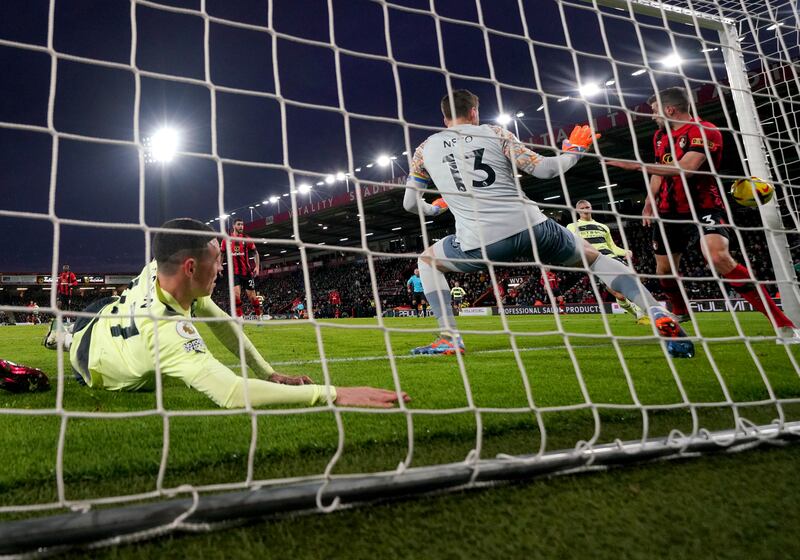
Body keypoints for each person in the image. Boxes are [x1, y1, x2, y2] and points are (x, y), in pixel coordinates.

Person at [402, 88, 694, 357]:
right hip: (534, 227)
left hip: (480, 242)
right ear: (475, 111)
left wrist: (436, 210)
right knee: (595, 260)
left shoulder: (424, 150)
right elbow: (543, 170)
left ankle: (449, 337)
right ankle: (656, 310)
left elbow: (410, 204)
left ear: (444, 117)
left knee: (427, 260)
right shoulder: (493, 132)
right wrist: (573, 152)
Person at [60, 218, 408, 409]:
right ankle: (60, 337)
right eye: (218, 261)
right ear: (191, 267)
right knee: (71, 337)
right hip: (89, 358)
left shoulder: (165, 269)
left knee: (96, 312)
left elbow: (220, 322)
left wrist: (269, 373)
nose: (222, 269)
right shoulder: (165, 331)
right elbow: (232, 393)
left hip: (105, 314)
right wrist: (332, 393)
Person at [607, 86, 797, 342]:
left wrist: (635, 165)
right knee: (663, 271)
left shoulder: (704, 130)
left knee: (718, 257)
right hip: (666, 213)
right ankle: (681, 311)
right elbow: (659, 170)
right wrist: (650, 202)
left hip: (702, 207)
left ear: (670, 109)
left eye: (654, 111)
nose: (653, 116)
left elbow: (687, 168)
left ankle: (784, 325)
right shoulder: (660, 137)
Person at [566, 200, 649, 324]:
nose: (585, 209)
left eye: (588, 206)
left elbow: (612, 247)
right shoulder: (572, 227)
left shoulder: (603, 226)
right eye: (582, 207)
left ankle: (642, 314)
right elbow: (572, 245)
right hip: (594, 261)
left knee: (632, 278)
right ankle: (636, 313)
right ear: (578, 210)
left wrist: (625, 251)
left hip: (610, 256)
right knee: (619, 295)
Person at [220, 218, 263, 320]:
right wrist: (220, 266)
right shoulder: (226, 239)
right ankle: (240, 318)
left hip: (247, 272)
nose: (241, 227)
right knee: (236, 295)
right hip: (234, 273)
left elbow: (255, 252)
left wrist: (257, 266)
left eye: (242, 225)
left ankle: (258, 316)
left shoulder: (246, 239)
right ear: (234, 226)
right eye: (239, 224)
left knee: (252, 297)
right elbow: (221, 254)